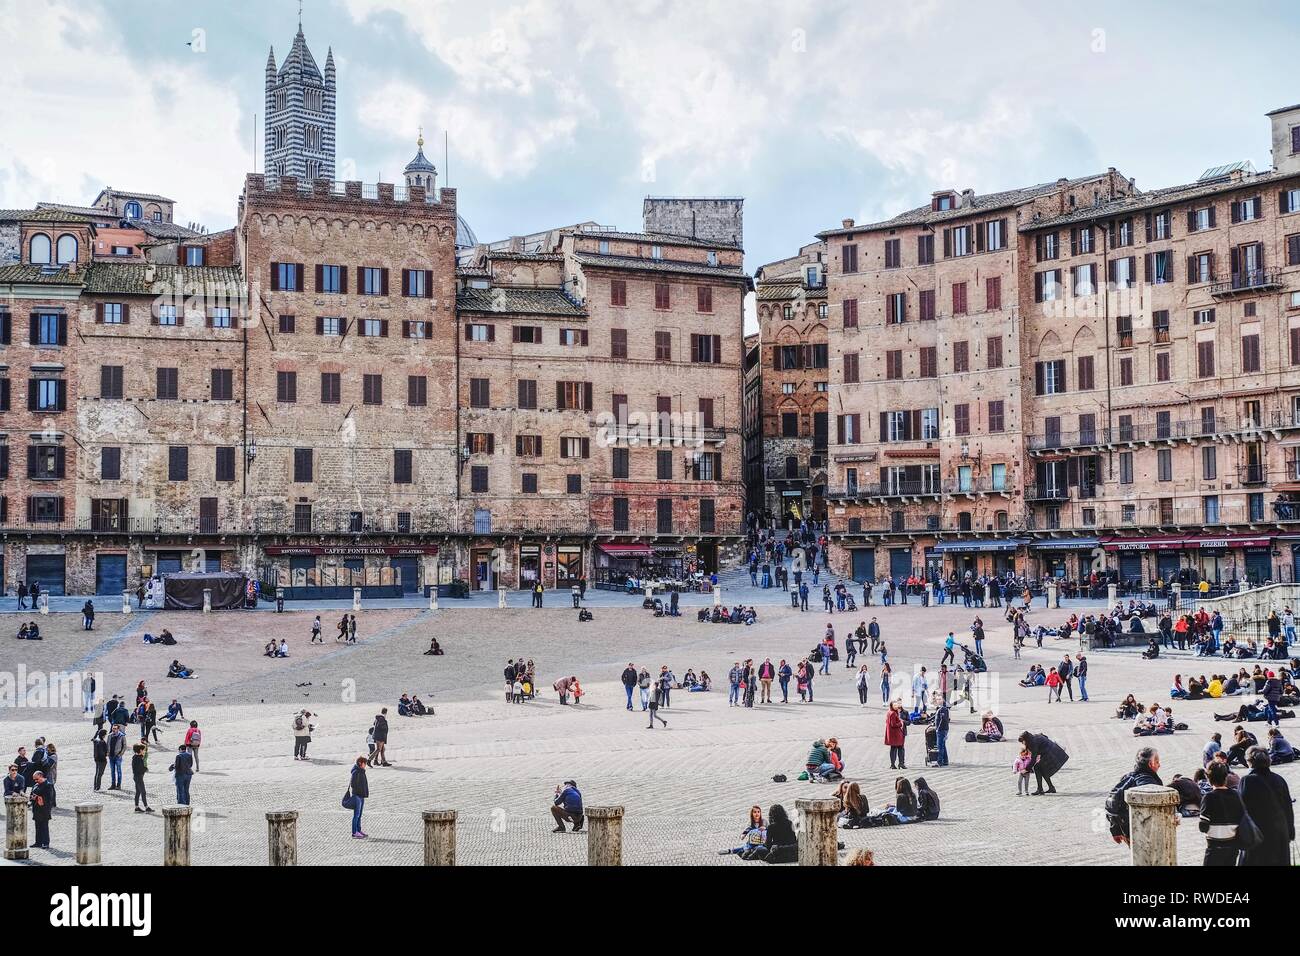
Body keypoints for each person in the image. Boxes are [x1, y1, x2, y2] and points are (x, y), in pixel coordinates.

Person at [1239, 747, 1295, 866]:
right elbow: (1287, 807)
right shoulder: (1279, 779)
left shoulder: (1247, 781)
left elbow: (1240, 810)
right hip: (1280, 832)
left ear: (1249, 762)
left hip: (1257, 834)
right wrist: (1290, 831)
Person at [1104, 747, 1162, 844]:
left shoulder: (1127, 777)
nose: (1159, 765)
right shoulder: (1147, 782)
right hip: (1143, 831)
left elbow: (1116, 802)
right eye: (1157, 762)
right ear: (1150, 764)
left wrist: (1115, 830)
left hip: (1126, 829)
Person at [1198, 760, 1246, 866]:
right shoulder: (1236, 795)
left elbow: (1203, 826)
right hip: (1233, 846)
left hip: (1214, 847)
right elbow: (1242, 819)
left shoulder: (1208, 797)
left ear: (1208, 779)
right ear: (1226, 777)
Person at [28, 770, 54, 849]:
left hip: (44, 809)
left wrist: (39, 798)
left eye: (37, 779)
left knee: (44, 826)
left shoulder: (48, 785)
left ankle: (45, 843)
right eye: (34, 779)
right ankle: (38, 842)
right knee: (37, 826)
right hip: (36, 809)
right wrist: (32, 799)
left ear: (41, 776)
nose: (35, 781)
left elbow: (50, 798)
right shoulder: (35, 785)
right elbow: (31, 796)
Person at [349, 756, 369, 838]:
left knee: (359, 815)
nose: (365, 765)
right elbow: (353, 784)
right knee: (356, 815)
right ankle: (354, 832)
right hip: (357, 796)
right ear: (360, 763)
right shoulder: (356, 772)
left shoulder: (362, 771)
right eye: (365, 763)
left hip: (361, 795)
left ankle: (359, 830)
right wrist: (359, 790)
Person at [885, 701, 907, 770]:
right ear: (892, 706)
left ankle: (894, 764)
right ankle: (899, 763)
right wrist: (901, 723)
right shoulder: (893, 713)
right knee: (900, 748)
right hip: (896, 734)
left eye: (896, 705)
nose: (896, 706)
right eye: (894, 705)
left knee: (894, 749)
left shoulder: (890, 712)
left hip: (893, 734)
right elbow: (893, 724)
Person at [131, 743, 152, 813]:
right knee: (143, 792)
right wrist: (145, 769)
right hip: (138, 777)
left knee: (138, 792)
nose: (144, 751)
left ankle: (136, 807)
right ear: (140, 750)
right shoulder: (137, 758)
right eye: (144, 750)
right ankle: (146, 807)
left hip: (137, 777)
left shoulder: (137, 757)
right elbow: (137, 769)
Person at [107, 724, 126, 790]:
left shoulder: (122, 736)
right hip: (111, 756)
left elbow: (124, 746)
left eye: (115, 728)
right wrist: (108, 753)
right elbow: (108, 745)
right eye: (113, 728)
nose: (113, 730)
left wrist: (120, 754)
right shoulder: (109, 735)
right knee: (112, 771)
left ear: (118, 729)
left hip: (118, 756)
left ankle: (118, 785)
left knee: (118, 771)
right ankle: (113, 785)